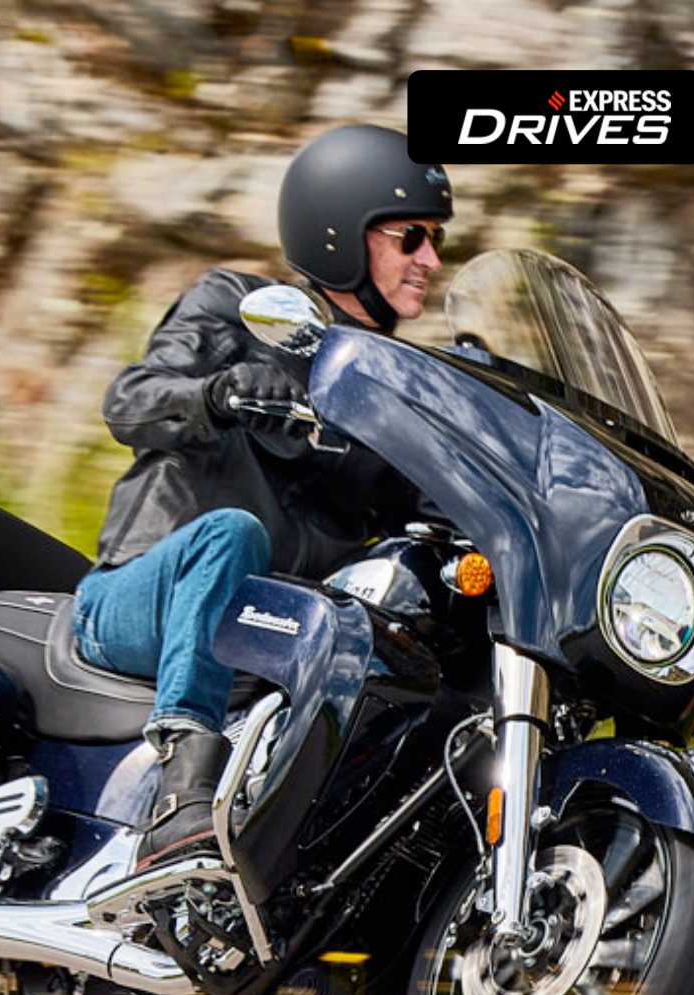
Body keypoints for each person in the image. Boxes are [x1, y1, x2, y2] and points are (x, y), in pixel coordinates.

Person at [73, 125, 453, 874]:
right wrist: (219, 394)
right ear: (338, 233)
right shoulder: (236, 307)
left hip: (277, 632)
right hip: (143, 595)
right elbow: (130, 402)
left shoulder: (396, 387)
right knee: (232, 536)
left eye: (436, 241)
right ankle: (180, 796)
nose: (431, 261)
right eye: (411, 237)